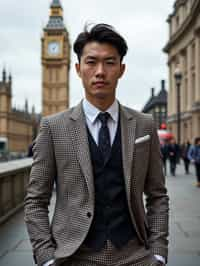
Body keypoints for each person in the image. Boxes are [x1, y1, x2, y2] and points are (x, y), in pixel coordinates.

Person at [24, 24, 169, 266]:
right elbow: (36, 200)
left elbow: (158, 195)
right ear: (79, 69)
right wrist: (46, 257)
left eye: (109, 62)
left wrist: (158, 252)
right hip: (73, 256)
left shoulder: (144, 125)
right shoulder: (53, 127)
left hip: (136, 255)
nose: (100, 71)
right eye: (91, 62)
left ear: (121, 69)